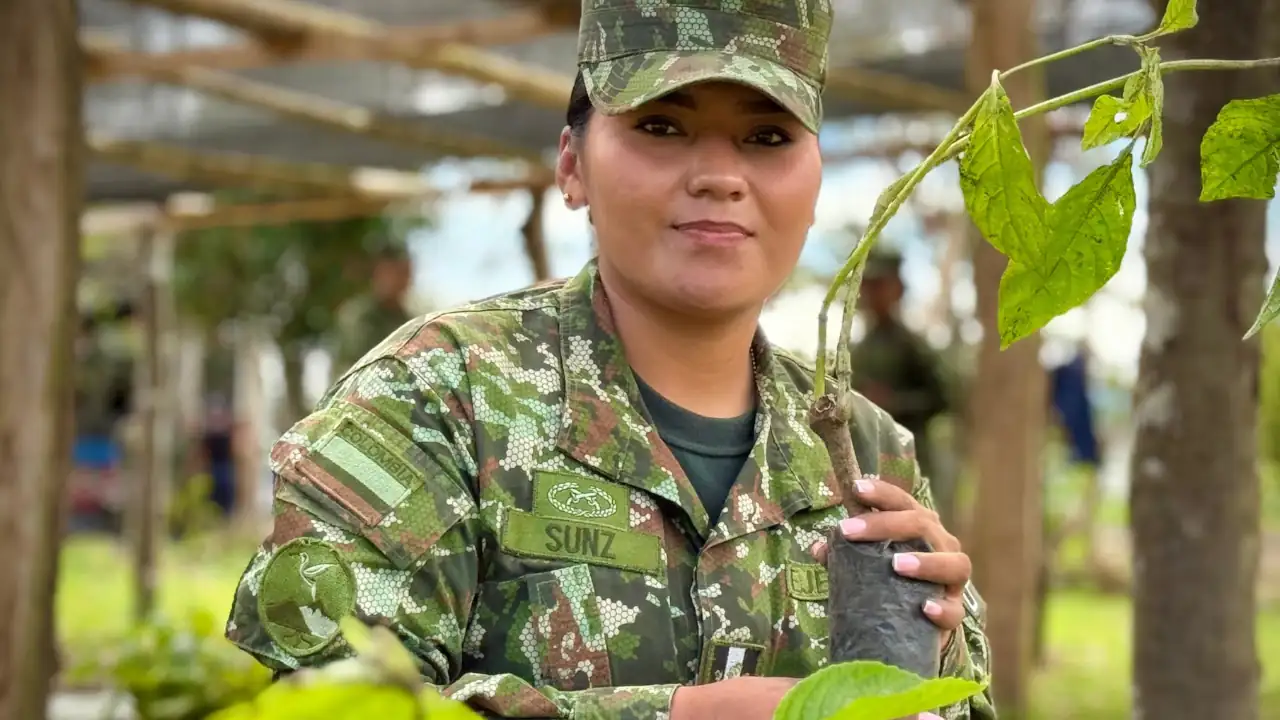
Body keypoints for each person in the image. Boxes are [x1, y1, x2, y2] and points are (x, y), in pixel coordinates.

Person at [223, 2, 996, 718]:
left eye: (767, 137)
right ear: (571, 166)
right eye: (662, 127)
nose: (720, 177)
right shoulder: (437, 399)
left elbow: (955, 705)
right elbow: (317, 696)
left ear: (817, 179)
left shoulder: (863, 449)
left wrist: (939, 648)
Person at [849, 245, 951, 483]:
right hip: (867, 462)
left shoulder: (912, 346)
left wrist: (895, 403)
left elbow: (942, 399)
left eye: (880, 285)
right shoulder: (859, 349)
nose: (872, 294)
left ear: (898, 289)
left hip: (909, 461)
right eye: (868, 286)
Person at [331, 244, 415, 374]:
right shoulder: (356, 316)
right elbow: (355, 361)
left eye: (406, 273)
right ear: (378, 273)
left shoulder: (411, 321)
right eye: (396, 272)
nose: (404, 280)